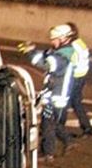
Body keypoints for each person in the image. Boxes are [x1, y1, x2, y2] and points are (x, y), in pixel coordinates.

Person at [19, 24, 76, 160]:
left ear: (64, 39)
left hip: (57, 95)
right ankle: (68, 141)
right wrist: (32, 49)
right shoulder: (61, 51)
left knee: (48, 124)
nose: (52, 41)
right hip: (54, 93)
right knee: (52, 123)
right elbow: (46, 55)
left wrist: (30, 53)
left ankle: (48, 152)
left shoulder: (63, 56)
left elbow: (47, 64)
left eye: (55, 39)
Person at [62, 22, 92, 139]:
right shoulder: (80, 43)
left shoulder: (72, 47)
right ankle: (87, 127)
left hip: (74, 77)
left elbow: (69, 63)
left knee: (64, 102)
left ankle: (58, 127)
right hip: (81, 76)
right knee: (76, 103)